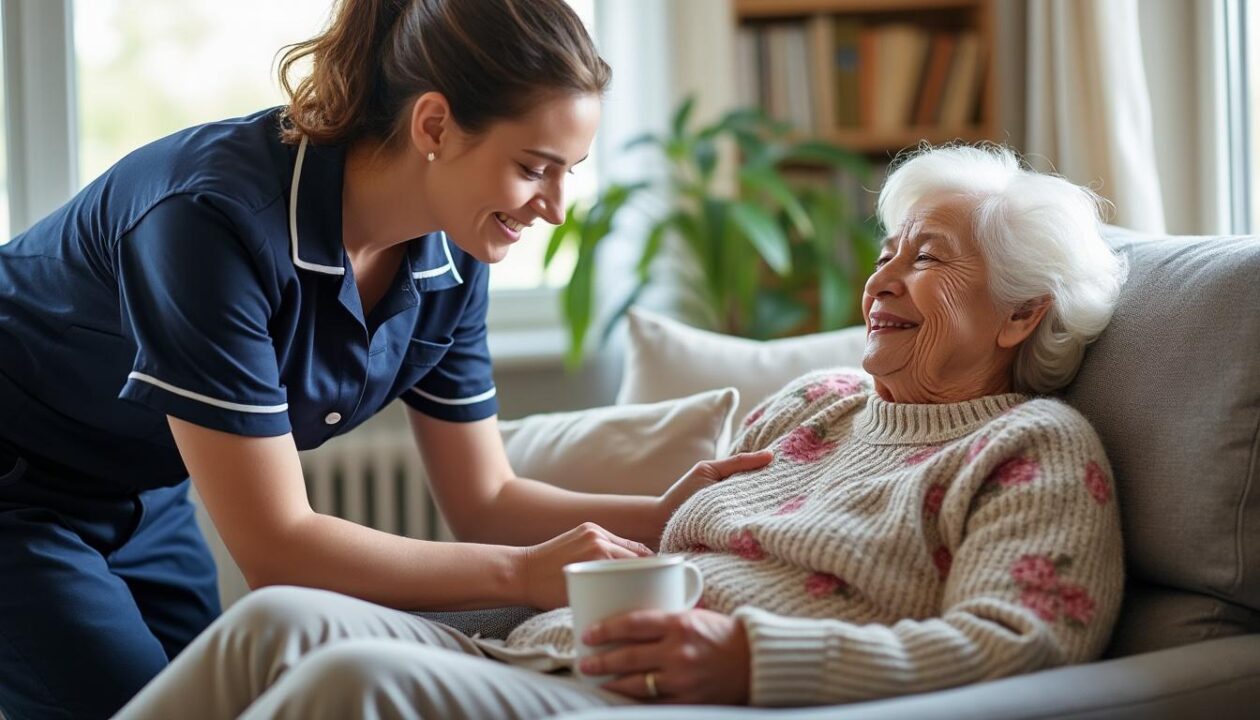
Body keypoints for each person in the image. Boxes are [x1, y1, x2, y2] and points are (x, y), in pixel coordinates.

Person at [114, 143, 1130, 719]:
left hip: (672, 702)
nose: (881, 282)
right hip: (548, 657)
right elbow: (672, 542)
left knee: (351, 681)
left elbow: (1024, 646)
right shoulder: (816, 403)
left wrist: (752, 659)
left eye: (928, 259)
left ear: (1022, 314)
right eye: (886, 253)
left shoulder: (1032, 450)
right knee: (278, 619)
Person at [0, 1, 773, 717]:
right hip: (15, 482)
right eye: (534, 167)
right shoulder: (209, 219)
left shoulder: (456, 254)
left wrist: (672, 516)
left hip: (143, 485)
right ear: (434, 124)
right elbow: (278, 549)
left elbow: (486, 498)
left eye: (569, 170)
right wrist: (522, 573)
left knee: (212, 705)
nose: (556, 206)